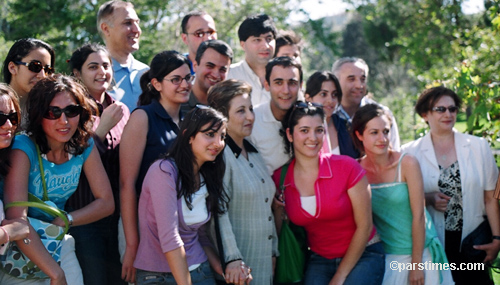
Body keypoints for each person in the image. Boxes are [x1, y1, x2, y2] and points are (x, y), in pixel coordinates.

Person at [2, 75, 114, 284]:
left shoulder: (83, 145)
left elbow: (106, 202)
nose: (64, 121)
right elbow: (17, 219)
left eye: (71, 111)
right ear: (38, 114)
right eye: (53, 112)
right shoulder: (23, 147)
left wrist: (67, 219)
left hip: (57, 240)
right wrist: (56, 273)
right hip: (20, 248)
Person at [273, 102, 384, 284]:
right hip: (320, 259)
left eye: (319, 130)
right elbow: (279, 229)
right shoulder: (280, 178)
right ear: (289, 135)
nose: (313, 137)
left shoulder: (347, 167)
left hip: (365, 252)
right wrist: (278, 210)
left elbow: (365, 227)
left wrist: (339, 277)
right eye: (304, 130)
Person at [402, 86, 500, 284]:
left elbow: (491, 198)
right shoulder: (409, 153)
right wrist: (428, 199)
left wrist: (497, 240)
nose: (448, 114)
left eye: (452, 109)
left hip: (472, 243)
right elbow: (402, 200)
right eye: (440, 109)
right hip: (433, 244)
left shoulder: (478, 147)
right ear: (424, 114)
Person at [352, 103, 453, 284]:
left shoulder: (407, 163)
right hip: (386, 255)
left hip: (420, 253)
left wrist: (416, 266)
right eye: (374, 132)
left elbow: (419, 216)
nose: (383, 138)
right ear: (359, 135)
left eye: (386, 131)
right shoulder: (355, 169)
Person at [134, 106, 231, 285]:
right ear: (189, 136)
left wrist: (220, 268)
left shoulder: (207, 174)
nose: (218, 143)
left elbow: (199, 235)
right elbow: (170, 237)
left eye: (222, 136)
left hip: (201, 272)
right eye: (210, 134)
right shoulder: (163, 171)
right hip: (157, 277)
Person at [119, 50, 192, 283]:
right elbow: (126, 184)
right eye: (176, 79)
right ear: (157, 84)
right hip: (142, 229)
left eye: (188, 77)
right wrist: (132, 243)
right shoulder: (142, 118)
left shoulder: (189, 120)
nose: (185, 84)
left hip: (179, 229)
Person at [66, 43, 129, 285]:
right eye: (93, 67)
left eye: (106, 65)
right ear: (77, 73)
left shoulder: (121, 109)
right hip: (83, 221)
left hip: (119, 220)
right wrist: (100, 132)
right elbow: (68, 161)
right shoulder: (69, 111)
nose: (102, 71)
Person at [208, 79, 278, 284]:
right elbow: (218, 213)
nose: (250, 116)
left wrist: (274, 250)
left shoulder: (254, 153)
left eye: (250, 109)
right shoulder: (220, 155)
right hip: (237, 270)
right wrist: (232, 259)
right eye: (241, 111)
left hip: (263, 262)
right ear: (222, 115)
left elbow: (266, 206)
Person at [332, 57, 400, 151]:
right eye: (351, 79)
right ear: (336, 82)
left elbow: (394, 153)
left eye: (362, 79)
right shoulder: (327, 114)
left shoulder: (382, 114)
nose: (359, 85)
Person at [249, 56, 301, 175]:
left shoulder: (309, 119)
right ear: (267, 85)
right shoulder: (252, 121)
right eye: (278, 83)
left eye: (292, 83)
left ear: (301, 85)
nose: (286, 90)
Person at [97, 0, 149, 111]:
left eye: (137, 22)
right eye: (128, 23)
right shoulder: (96, 77)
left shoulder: (147, 72)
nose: (137, 30)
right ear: (106, 29)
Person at [0, 84, 30, 261]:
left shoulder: (9, 159)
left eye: (13, 117)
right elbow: (20, 228)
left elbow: (23, 227)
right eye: (0, 118)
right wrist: (9, 232)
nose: (8, 125)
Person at [2, 38, 55, 130]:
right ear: (12, 67)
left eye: (47, 70)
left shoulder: (51, 110)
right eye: (35, 66)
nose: (42, 75)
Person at [304, 71, 359, 158]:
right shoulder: (299, 128)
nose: (330, 100)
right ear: (308, 98)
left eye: (334, 94)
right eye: (323, 94)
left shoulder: (347, 128)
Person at [228, 14, 277, 106]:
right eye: (257, 40)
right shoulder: (229, 75)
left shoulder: (285, 77)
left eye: (269, 39)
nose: (265, 46)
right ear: (243, 45)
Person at [181, 40, 233, 112]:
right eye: (210, 66)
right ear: (195, 66)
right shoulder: (178, 103)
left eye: (222, 70)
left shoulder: (229, 107)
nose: (216, 75)